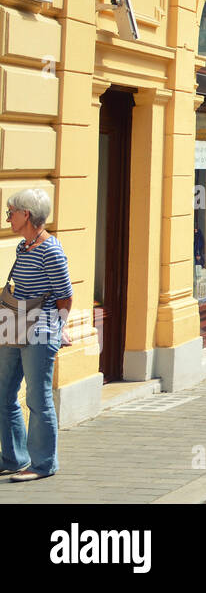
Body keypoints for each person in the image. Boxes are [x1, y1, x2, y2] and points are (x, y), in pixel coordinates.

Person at [0, 189, 72, 482]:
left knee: (38, 399)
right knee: (4, 393)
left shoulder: (51, 250)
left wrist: (61, 327)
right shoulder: (23, 247)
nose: (8, 217)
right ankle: (14, 457)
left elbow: (65, 296)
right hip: (14, 323)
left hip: (40, 330)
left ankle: (43, 464)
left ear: (25, 215)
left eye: (11, 212)